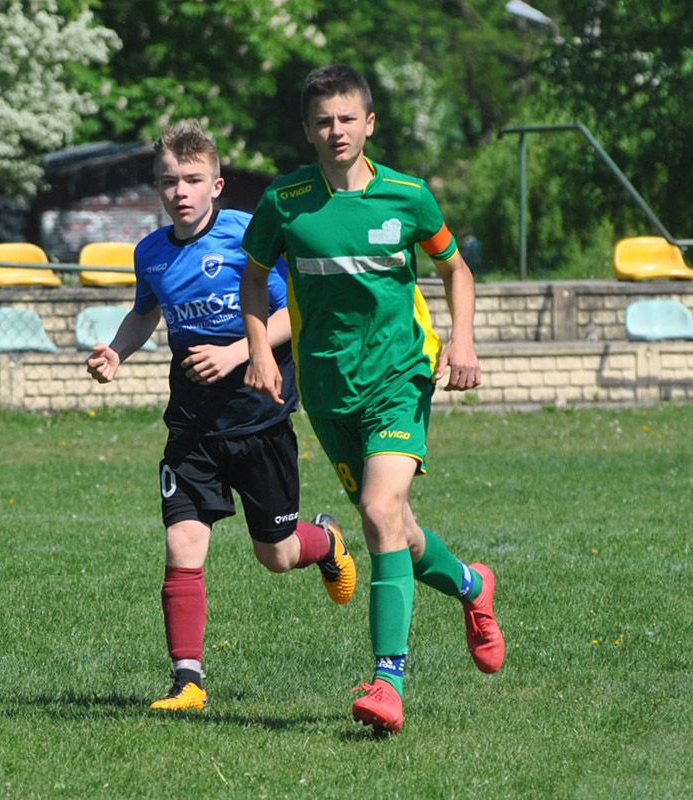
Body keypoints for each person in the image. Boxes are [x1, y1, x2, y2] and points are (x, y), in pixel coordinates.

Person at [240, 64, 505, 735]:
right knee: (398, 530)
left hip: (399, 377)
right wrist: (262, 351)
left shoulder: (407, 197)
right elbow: (253, 278)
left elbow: (456, 268)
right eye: (323, 121)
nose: (336, 131)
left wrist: (464, 344)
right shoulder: (285, 201)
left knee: (378, 508)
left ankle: (388, 682)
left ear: (369, 124)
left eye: (347, 118)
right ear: (308, 129)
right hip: (328, 391)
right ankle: (473, 586)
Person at [86, 120, 357, 712]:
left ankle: (327, 541)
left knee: (277, 554)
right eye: (168, 181)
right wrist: (116, 351)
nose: (179, 191)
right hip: (191, 427)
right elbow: (144, 313)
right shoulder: (151, 251)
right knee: (183, 543)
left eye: (192, 179)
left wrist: (238, 352)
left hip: (257, 419)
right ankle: (188, 682)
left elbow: (295, 314)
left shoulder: (247, 237)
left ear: (217, 185)